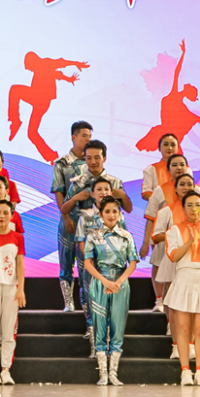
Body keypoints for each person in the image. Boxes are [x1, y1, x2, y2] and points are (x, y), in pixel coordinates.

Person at [61, 140, 132, 316]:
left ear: (104, 158)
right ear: (84, 159)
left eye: (97, 157)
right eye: (89, 158)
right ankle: (85, 316)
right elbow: (64, 209)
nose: (93, 161)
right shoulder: (77, 182)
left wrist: (122, 195)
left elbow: (128, 209)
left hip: (109, 241)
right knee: (84, 275)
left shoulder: (114, 182)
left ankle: (108, 318)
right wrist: (76, 198)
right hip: (82, 235)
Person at [164, 191, 200, 386]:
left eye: (197, 205)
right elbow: (173, 256)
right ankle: (185, 371)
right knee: (182, 328)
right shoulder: (174, 231)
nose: (194, 209)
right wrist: (189, 241)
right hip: (183, 277)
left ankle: (199, 371)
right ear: (183, 208)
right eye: (189, 205)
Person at [83, 197, 140, 386]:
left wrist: (119, 282)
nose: (111, 215)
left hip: (120, 285)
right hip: (100, 284)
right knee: (99, 327)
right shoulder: (93, 235)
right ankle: (103, 374)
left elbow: (132, 263)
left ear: (119, 214)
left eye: (115, 211)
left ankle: (113, 374)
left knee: (117, 326)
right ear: (100, 214)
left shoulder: (126, 236)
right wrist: (105, 281)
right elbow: (87, 263)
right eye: (107, 211)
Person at [151, 172, 200, 360]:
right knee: (175, 306)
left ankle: (190, 345)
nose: (186, 188)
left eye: (189, 184)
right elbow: (156, 236)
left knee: (193, 306)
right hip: (174, 260)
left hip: (195, 262)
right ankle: (176, 345)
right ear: (175, 188)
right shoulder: (166, 211)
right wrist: (175, 235)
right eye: (182, 184)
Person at [136, 40, 200, 153]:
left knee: (175, 156)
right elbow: (177, 72)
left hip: (169, 136)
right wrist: (183, 54)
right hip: (162, 134)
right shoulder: (175, 97)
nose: (189, 84)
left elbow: (198, 119)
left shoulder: (181, 107)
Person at [74, 177, 127, 356]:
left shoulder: (118, 216)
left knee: (112, 307)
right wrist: (92, 260)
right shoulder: (86, 216)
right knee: (93, 305)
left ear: (111, 192)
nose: (103, 192)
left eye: (106, 189)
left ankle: (111, 348)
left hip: (113, 268)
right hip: (93, 269)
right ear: (93, 193)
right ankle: (96, 348)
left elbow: (124, 240)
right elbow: (81, 242)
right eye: (99, 189)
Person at [140, 154, 193, 312]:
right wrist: (146, 243)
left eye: (182, 164)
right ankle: (160, 301)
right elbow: (151, 217)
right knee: (161, 267)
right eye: (174, 165)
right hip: (164, 238)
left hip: (189, 240)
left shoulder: (197, 190)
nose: (178, 168)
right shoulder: (160, 190)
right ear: (168, 169)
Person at [0, 200, 26, 385]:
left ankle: (6, 369)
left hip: (11, 288)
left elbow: (20, 265)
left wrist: (21, 289)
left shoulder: (17, 237)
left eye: (6, 213)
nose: (2, 216)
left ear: (12, 215)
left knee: (9, 332)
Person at [52, 121, 93, 311]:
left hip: (88, 222)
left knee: (87, 264)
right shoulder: (62, 164)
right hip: (68, 219)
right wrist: (66, 217)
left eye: (90, 136)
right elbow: (58, 191)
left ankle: (85, 302)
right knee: (66, 263)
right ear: (74, 137)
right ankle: (68, 302)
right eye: (84, 136)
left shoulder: (92, 162)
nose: (88, 139)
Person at [141, 133, 180, 201]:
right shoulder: (151, 169)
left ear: (178, 148)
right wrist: (161, 201)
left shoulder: (186, 169)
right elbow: (146, 192)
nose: (169, 148)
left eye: (173, 145)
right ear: (159, 148)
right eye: (166, 144)